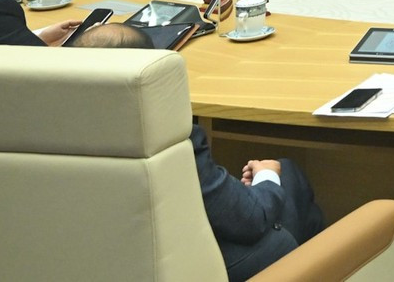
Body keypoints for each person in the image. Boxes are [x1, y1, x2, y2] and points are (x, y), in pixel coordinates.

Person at [72, 24, 328, 278]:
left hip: (83, 264)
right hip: (184, 269)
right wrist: (267, 176)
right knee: (289, 177)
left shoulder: (42, 129)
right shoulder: (167, 136)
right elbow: (250, 220)